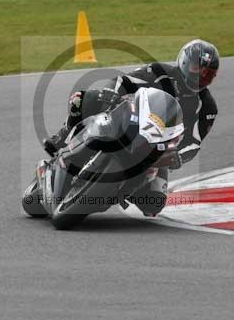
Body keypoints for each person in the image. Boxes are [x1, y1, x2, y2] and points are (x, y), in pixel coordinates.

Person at [43, 39, 219, 216]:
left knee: (154, 203)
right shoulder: (159, 72)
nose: (200, 77)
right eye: (197, 69)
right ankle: (63, 135)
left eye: (207, 74)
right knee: (81, 99)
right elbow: (124, 80)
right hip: (130, 121)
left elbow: (194, 142)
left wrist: (178, 156)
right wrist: (112, 93)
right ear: (184, 62)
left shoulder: (207, 107)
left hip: (157, 148)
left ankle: (124, 191)